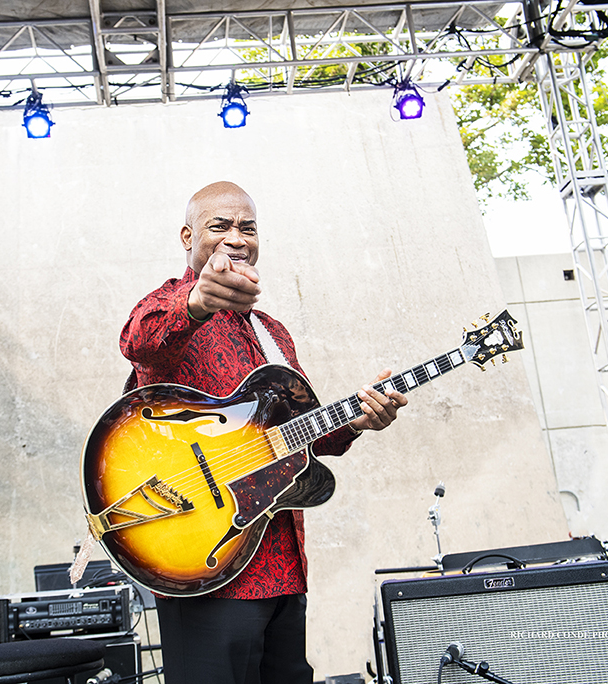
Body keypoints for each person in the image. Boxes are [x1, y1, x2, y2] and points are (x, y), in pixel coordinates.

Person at [119, 181, 408, 684]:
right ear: (188, 237)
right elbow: (137, 340)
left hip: (282, 560)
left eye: (247, 228)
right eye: (220, 226)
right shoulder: (170, 305)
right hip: (203, 562)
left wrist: (358, 420)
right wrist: (196, 300)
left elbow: (305, 436)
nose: (237, 237)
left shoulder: (274, 333)